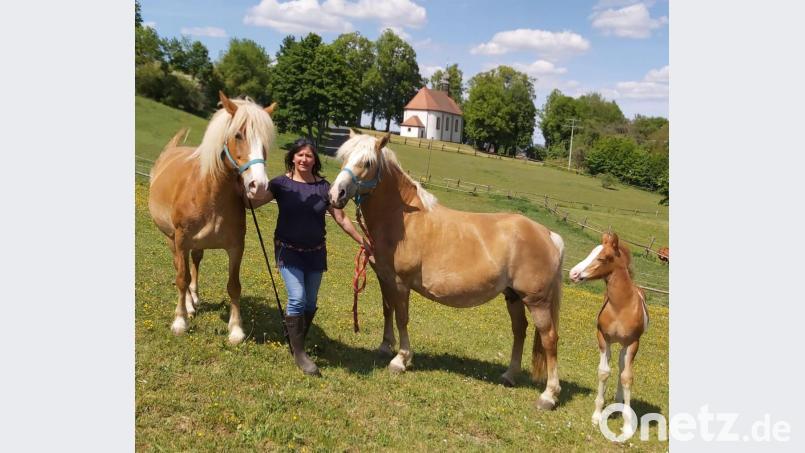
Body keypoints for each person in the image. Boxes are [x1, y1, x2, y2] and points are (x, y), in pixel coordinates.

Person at [251, 138, 372, 376]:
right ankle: (300, 354)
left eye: (309, 156)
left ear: (314, 159)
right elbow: (253, 203)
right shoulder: (281, 184)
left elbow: (342, 219)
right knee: (297, 298)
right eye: (300, 155)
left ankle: (296, 340)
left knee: (309, 303)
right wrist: (241, 185)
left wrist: (363, 241)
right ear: (293, 158)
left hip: (315, 253)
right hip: (288, 250)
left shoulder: (324, 187)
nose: (304, 159)